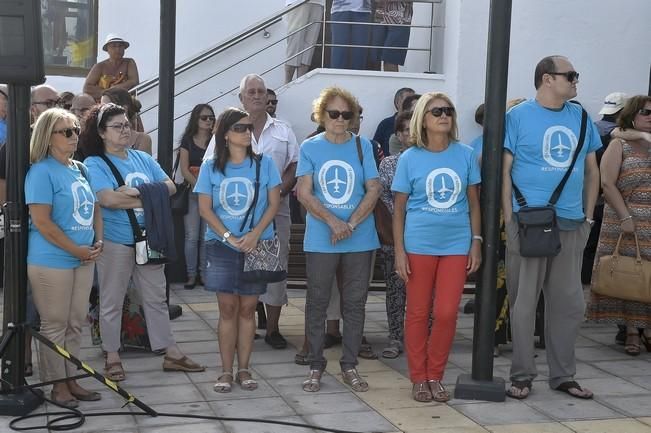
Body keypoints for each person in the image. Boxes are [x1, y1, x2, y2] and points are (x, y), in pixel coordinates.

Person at [502, 55, 601, 400]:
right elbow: (503, 170)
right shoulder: (516, 117)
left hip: (571, 223)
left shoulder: (582, 116)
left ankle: (563, 376)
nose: (575, 80)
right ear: (547, 79)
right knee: (524, 304)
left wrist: (589, 217)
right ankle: (522, 375)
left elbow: (592, 171)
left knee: (569, 304)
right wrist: (508, 219)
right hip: (528, 224)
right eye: (570, 75)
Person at [82, 103, 204, 381]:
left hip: (150, 239)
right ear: (102, 132)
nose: (126, 130)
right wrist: (151, 197)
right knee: (111, 300)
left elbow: (171, 186)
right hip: (116, 241)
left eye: (127, 124)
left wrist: (137, 192)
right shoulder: (95, 163)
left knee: (156, 298)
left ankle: (170, 351)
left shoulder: (142, 158)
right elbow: (107, 199)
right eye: (118, 126)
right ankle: (112, 355)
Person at [392, 92, 481, 402]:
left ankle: (435, 374)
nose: (444, 116)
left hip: (456, 244)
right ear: (423, 120)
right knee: (416, 312)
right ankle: (419, 377)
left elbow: (473, 203)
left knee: (445, 313)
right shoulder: (409, 158)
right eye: (436, 111)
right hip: (418, 244)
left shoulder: (466, 154)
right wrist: (400, 252)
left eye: (448, 110)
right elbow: (399, 209)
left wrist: (476, 242)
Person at [296, 86, 380, 393]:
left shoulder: (364, 146)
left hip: (359, 237)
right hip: (321, 237)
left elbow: (374, 188)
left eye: (347, 114)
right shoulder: (310, 147)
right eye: (334, 113)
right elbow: (303, 192)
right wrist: (333, 222)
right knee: (317, 301)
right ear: (322, 115)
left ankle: (350, 364)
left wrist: (350, 223)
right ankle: (316, 364)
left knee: (355, 304)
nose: (341, 119)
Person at [206, 74, 298, 350]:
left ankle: (273, 328)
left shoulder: (283, 130)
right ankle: (242, 324)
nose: (258, 96)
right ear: (241, 98)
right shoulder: (227, 129)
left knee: (276, 265)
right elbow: (211, 164)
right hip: (236, 215)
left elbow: (294, 163)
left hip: (276, 210)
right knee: (238, 268)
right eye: (252, 92)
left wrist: (281, 189)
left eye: (262, 92)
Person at [194, 107, 281, 393]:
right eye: (241, 128)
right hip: (221, 245)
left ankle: (244, 369)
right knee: (227, 309)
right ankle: (225, 371)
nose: (248, 132)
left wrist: (254, 235)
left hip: (257, 243)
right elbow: (204, 209)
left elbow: (273, 204)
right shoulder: (210, 167)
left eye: (249, 127)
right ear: (226, 134)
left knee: (247, 309)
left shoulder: (265, 163)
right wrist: (230, 236)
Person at [25, 108, 103, 407]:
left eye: (75, 130)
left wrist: (98, 241)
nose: (74, 136)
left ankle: (71, 379)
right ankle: (57, 386)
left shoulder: (80, 168)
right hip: (52, 260)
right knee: (54, 325)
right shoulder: (40, 171)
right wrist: (76, 250)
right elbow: (42, 222)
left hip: (83, 258)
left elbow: (94, 208)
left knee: (74, 323)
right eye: (66, 132)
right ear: (48, 137)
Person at [587, 95, 651, 355]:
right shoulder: (619, 144)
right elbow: (607, 183)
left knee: (648, 277)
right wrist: (626, 217)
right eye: (646, 112)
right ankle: (632, 332)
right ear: (633, 115)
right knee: (630, 274)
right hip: (625, 221)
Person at [582, 92, 628, 287]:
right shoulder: (619, 135)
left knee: (588, 243)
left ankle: (583, 277)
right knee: (605, 244)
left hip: (587, 194)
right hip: (609, 196)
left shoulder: (592, 127)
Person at [377, 110, 411, 359]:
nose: (411, 133)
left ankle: (423, 336)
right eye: (406, 129)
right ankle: (395, 337)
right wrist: (401, 217)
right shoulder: (389, 163)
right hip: (394, 234)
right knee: (395, 289)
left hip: (424, 236)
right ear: (399, 134)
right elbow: (384, 196)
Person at [178, 104, 215, 289]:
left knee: (207, 236)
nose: (208, 121)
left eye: (211, 118)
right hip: (193, 193)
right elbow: (184, 169)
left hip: (212, 195)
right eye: (204, 118)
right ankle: (191, 275)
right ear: (196, 119)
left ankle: (205, 274)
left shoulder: (216, 140)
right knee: (192, 236)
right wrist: (199, 187)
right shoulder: (187, 140)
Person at [84, 35, 139, 101]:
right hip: (103, 103)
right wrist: (107, 93)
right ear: (107, 49)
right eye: (114, 46)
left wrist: (116, 88)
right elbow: (87, 88)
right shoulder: (99, 66)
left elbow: (134, 81)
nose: (118, 49)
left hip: (125, 102)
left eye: (120, 46)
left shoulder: (129, 62)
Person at [285, 0, 324, 83]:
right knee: (294, 44)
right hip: (298, 2)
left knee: (309, 47)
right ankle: (286, 84)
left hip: (318, 3)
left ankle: (301, 83)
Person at [100, 87, 150, 152]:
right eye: (101, 107)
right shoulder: (101, 138)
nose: (101, 111)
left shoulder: (142, 139)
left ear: (124, 109)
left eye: (106, 108)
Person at [370, 1, 413, 72]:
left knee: (390, 60)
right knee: (374, 60)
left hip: (400, 21)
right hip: (380, 19)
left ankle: (393, 83)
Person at [329, 0, 372, 70]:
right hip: (340, 8)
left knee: (360, 50)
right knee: (339, 49)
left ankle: (357, 79)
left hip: (363, 11)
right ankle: (337, 78)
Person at [373, 87, 415, 156]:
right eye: (407, 100)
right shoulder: (385, 124)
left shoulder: (420, 124)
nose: (411, 103)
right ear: (397, 102)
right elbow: (375, 148)